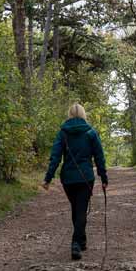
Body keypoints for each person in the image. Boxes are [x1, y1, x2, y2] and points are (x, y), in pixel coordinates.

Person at [43, 103, 108, 260]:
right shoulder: (91, 133)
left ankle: (81, 240)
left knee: (77, 209)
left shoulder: (63, 133)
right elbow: (99, 156)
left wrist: (48, 178)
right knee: (80, 209)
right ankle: (76, 243)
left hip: (68, 179)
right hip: (86, 177)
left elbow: (55, 157)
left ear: (69, 114)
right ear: (84, 114)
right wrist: (103, 177)